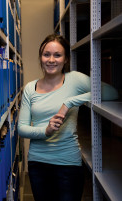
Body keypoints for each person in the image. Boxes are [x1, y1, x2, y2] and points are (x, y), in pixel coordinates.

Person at [17, 34, 119, 201]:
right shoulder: (30, 88)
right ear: (40, 57)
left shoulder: (75, 80)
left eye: (57, 55)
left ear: (65, 59)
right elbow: (22, 128)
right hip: (38, 164)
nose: (51, 60)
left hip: (68, 164)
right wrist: (46, 130)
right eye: (46, 54)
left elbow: (110, 93)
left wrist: (70, 102)